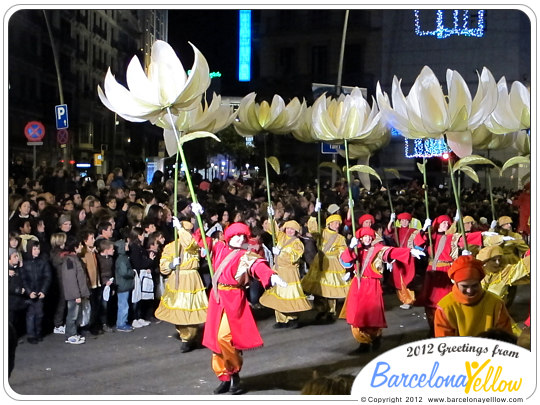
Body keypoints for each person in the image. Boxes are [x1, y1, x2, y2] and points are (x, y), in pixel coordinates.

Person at [202, 222, 286, 395]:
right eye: (236, 236)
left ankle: (234, 373)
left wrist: (270, 276)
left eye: (243, 236)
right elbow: (202, 242)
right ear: (229, 236)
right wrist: (194, 224)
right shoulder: (219, 248)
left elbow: (257, 265)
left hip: (233, 298)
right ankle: (224, 376)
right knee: (215, 342)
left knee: (224, 337)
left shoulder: (245, 255)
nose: (240, 239)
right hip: (217, 298)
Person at [340, 227, 423, 352]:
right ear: (360, 239)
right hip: (358, 283)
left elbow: (392, 252)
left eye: (369, 236)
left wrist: (409, 251)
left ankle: (375, 337)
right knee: (357, 312)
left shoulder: (378, 250)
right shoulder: (357, 250)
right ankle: (363, 342)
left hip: (372, 285)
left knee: (372, 314)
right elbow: (346, 261)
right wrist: (351, 248)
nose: (367, 239)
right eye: (364, 237)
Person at [155, 219, 209, 353]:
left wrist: (181, 229)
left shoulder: (193, 245)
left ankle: (190, 336)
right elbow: (163, 267)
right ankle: (186, 336)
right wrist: (171, 265)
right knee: (179, 312)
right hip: (178, 280)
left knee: (192, 311)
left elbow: (190, 244)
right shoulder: (171, 246)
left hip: (192, 280)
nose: (189, 233)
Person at [434, 255, 514, 337]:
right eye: (465, 286)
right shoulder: (445, 308)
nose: (470, 290)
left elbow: (505, 338)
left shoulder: (496, 303)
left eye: (474, 285)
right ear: (456, 283)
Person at [259, 220, 312, 329]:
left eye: (292, 229)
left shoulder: (298, 243)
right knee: (279, 295)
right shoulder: (282, 236)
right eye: (288, 228)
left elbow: (294, 257)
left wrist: (281, 253)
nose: (289, 231)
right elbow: (273, 230)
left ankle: (292, 318)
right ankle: (281, 319)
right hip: (279, 271)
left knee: (290, 295)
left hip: (290, 273)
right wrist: (271, 219)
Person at [301, 214, 349, 322]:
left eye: (338, 223)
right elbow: (312, 230)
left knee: (331, 289)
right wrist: (313, 216)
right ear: (329, 223)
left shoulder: (340, 238)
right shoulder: (321, 233)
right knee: (318, 288)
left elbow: (343, 250)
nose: (337, 225)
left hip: (333, 263)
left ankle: (331, 311)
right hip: (320, 262)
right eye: (335, 223)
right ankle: (321, 309)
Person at [20, 240, 52, 344]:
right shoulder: (25, 263)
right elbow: (23, 279)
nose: (37, 251)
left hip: (39, 291)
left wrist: (43, 291)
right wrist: (29, 292)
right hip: (29, 293)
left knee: (39, 314)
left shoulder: (43, 261)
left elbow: (47, 277)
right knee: (30, 314)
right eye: (34, 249)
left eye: (38, 249)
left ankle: (38, 333)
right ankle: (31, 334)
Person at [61, 236, 90, 345]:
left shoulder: (74, 259)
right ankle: (70, 335)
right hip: (74, 294)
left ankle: (74, 333)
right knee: (72, 315)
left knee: (76, 314)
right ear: (75, 247)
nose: (82, 247)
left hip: (77, 293)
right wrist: (76, 295)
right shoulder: (69, 260)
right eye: (80, 245)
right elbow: (71, 279)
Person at [114, 237, 135, 332]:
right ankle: (121, 323)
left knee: (124, 304)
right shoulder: (122, 259)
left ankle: (123, 322)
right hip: (123, 285)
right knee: (123, 304)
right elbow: (124, 272)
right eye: (126, 245)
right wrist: (132, 272)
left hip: (124, 284)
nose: (128, 246)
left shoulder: (123, 258)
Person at [8, 248, 27, 337]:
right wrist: (18, 290)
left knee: (16, 320)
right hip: (10, 301)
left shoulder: (18, 268)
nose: (17, 258)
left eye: (17, 256)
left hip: (18, 301)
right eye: (15, 256)